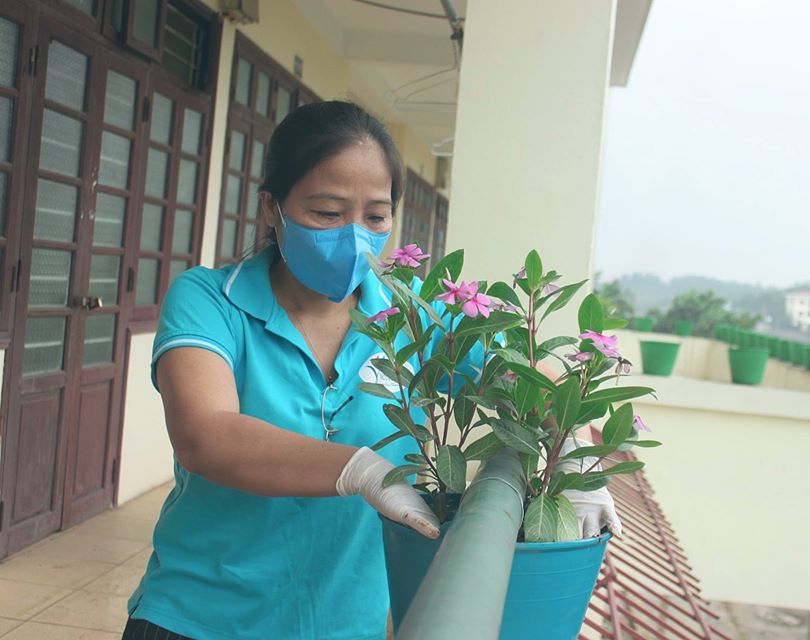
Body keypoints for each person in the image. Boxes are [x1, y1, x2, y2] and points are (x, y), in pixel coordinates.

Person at [123, 101, 619, 640]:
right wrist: (363, 470)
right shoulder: (210, 300)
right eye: (328, 214)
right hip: (198, 619)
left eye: (375, 217)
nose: (355, 236)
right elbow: (206, 434)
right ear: (272, 207)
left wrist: (573, 458)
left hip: (345, 626)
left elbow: (535, 379)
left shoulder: (419, 320)